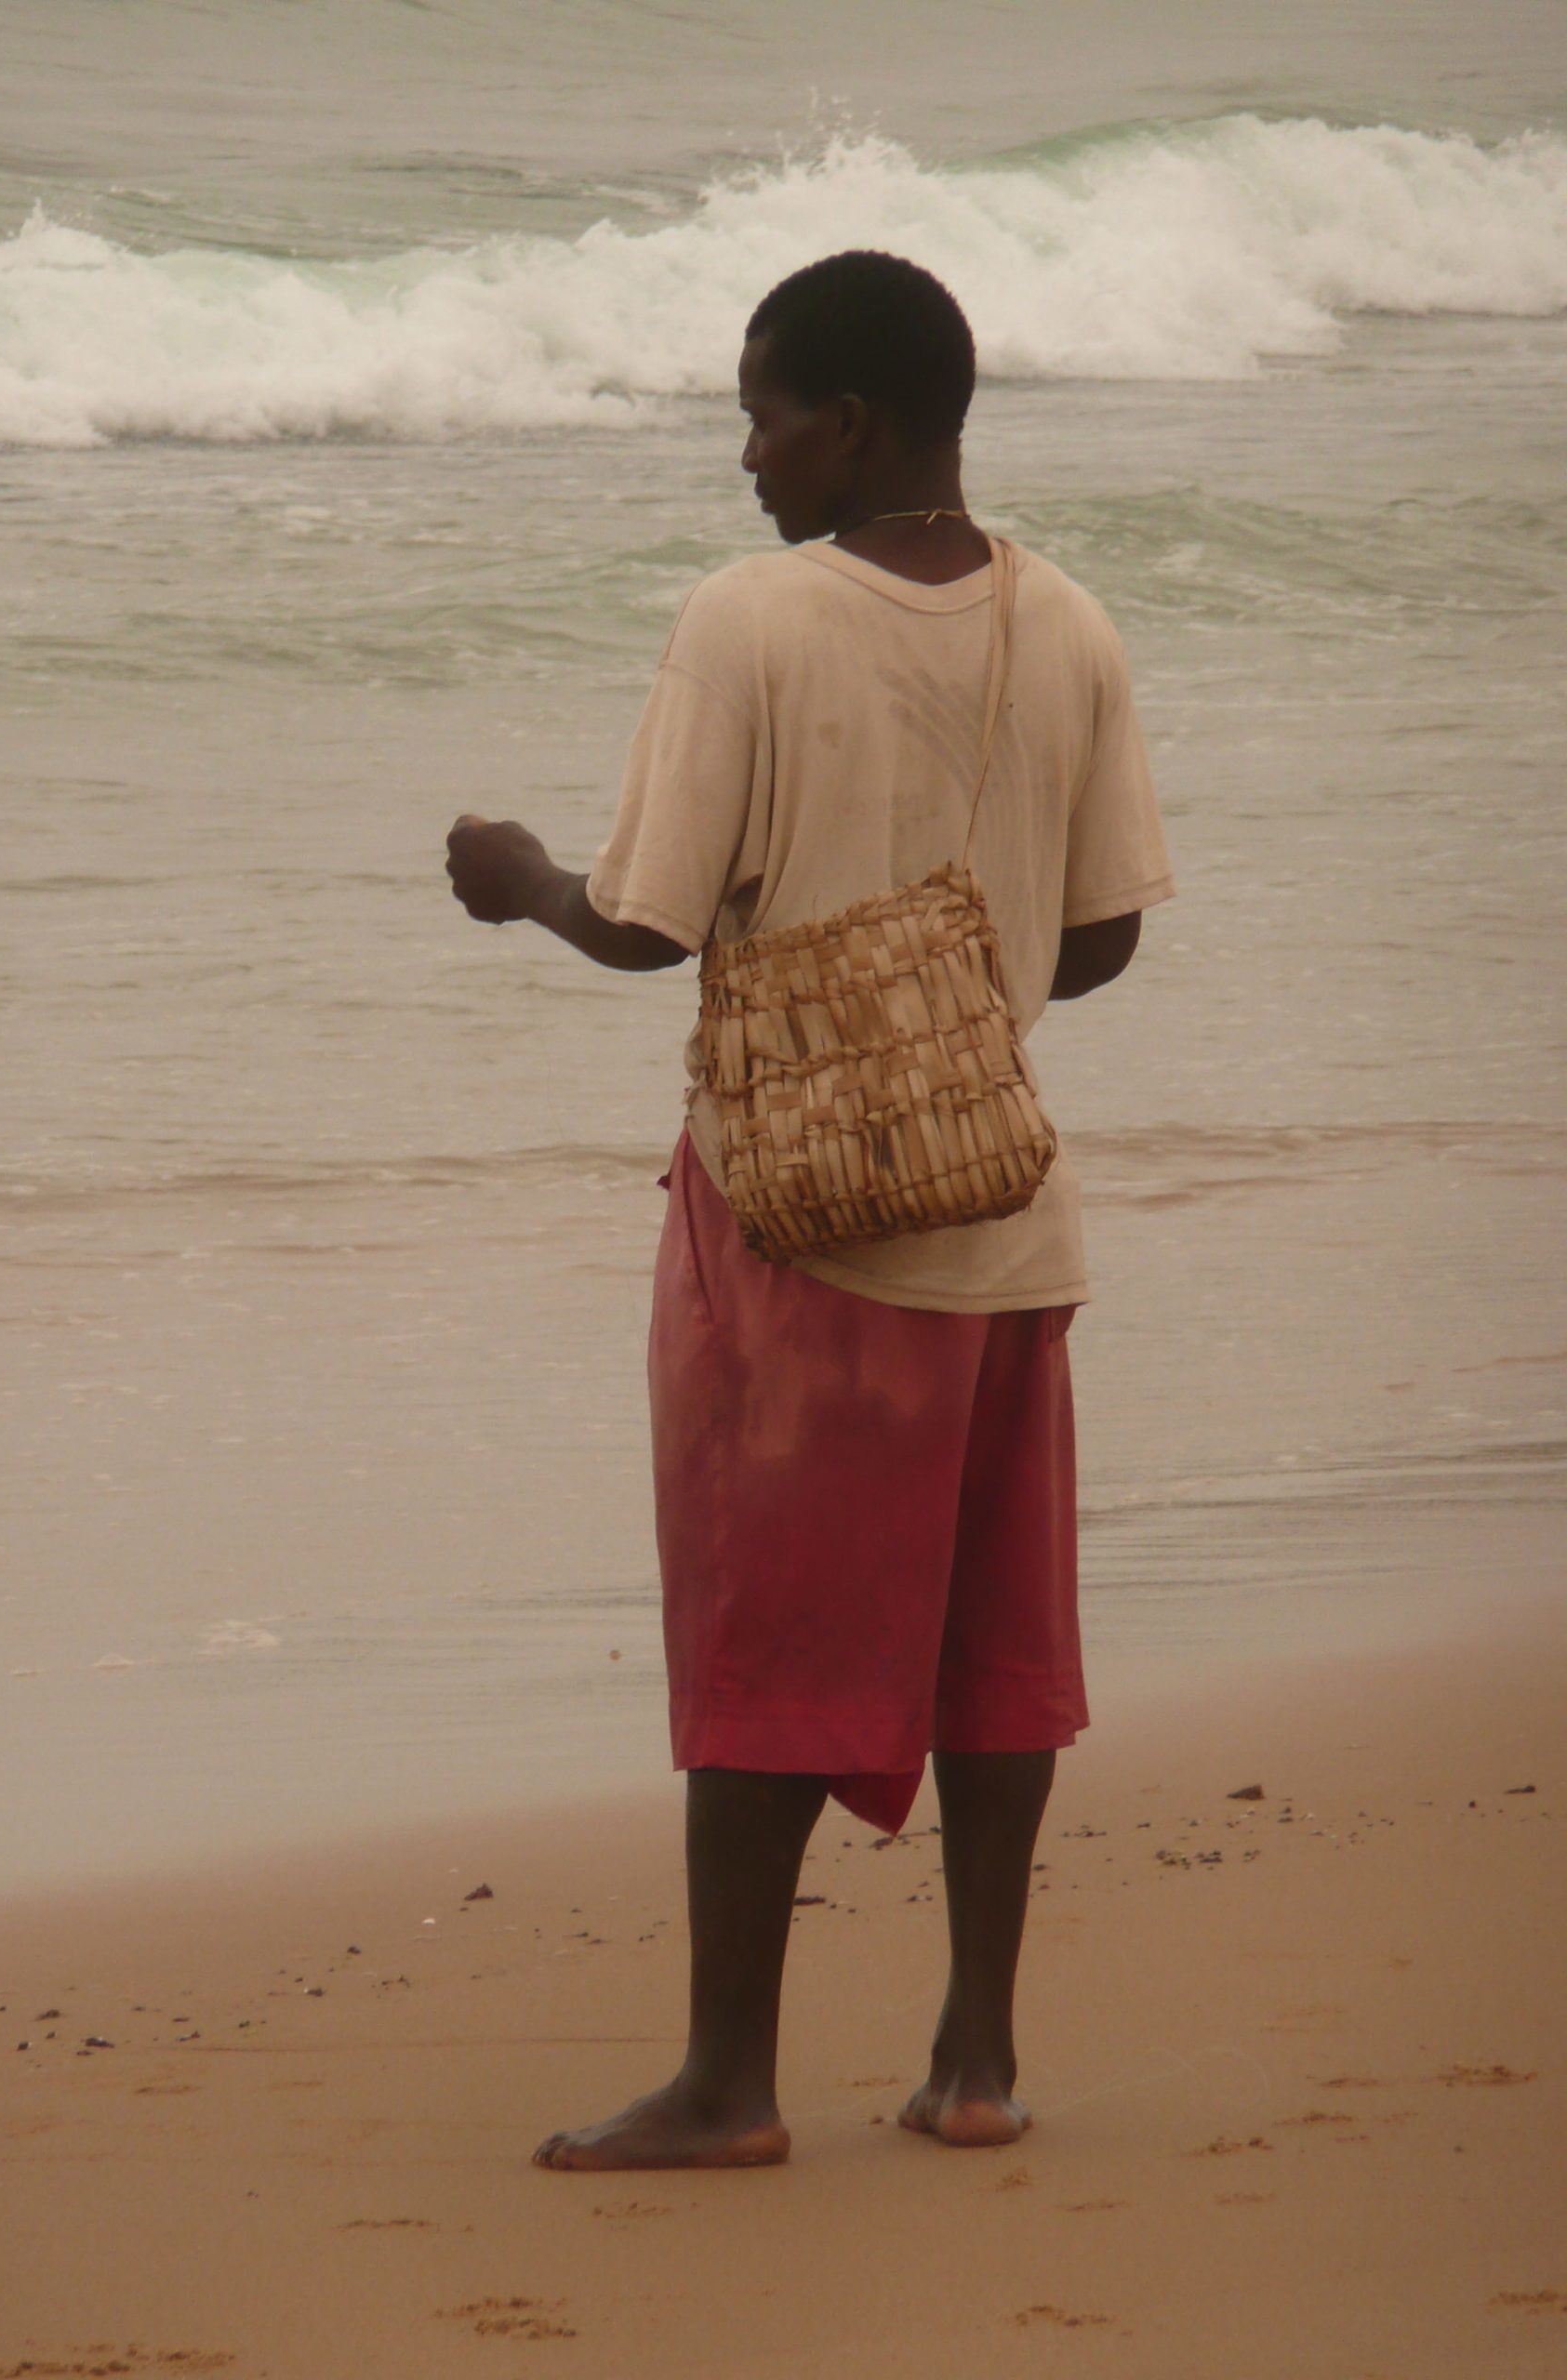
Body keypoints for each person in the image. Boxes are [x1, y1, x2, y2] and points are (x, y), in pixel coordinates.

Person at [445, 249, 1174, 2172]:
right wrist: (955, 988)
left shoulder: (751, 620)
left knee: (765, 1637)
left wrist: (522, 874)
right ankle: (980, 2056)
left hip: (799, 1230)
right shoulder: (1072, 620)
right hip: (1009, 1220)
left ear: (848, 418)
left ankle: (727, 2081)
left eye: (762, 411)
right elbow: (1095, 943)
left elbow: (649, 921)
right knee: (997, 1647)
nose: (746, 453)